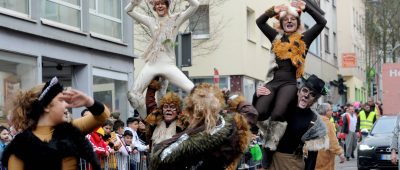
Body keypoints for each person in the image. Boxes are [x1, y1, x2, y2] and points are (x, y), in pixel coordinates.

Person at [253, 0, 327, 162]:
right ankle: (263, 138)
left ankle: (270, 147)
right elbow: (259, 22)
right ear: (281, 23)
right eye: (285, 19)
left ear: (298, 23)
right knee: (260, 111)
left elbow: (322, 22)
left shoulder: (304, 39)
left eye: (293, 19)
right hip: (273, 81)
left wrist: (306, 8)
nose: (289, 21)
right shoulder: (276, 37)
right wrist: (273, 10)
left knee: (279, 112)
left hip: (290, 83)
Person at [1, 76, 110, 170]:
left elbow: (102, 116)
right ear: (47, 106)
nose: (66, 105)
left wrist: (88, 102)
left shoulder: (70, 131)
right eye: (61, 100)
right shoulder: (20, 145)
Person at [125, 0, 199, 119]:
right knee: (133, 95)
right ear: (154, 6)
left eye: (162, 3)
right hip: (152, 64)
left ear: (167, 5)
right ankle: (150, 121)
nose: (160, 6)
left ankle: (195, 119)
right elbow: (127, 11)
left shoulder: (176, 19)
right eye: (157, 4)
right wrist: (135, 2)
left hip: (168, 65)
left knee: (193, 90)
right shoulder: (151, 21)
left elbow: (195, 5)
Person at [150, 83, 252, 170]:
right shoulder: (230, 123)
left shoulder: (207, 132)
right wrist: (232, 99)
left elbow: (163, 157)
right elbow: (250, 113)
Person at [257, 74, 329, 170]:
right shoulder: (282, 107)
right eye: (305, 90)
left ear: (315, 100)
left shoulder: (314, 121)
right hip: (270, 161)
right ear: (299, 91)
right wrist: (258, 95)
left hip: (292, 164)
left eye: (312, 94)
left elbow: (312, 157)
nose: (306, 96)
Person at [315, 103, 345, 170]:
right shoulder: (328, 123)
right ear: (325, 111)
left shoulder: (314, 121)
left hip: (313, 155)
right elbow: (332, 141)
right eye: (330, 110)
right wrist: (340, 153)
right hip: (325, 156)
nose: (332, 112)